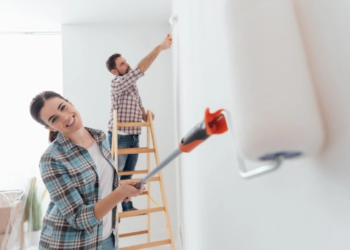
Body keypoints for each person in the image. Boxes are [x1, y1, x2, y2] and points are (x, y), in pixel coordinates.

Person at [30, 91, 145, 250]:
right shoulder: (51, 159)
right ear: (49, 127)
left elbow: (100, 183)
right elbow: (78, 218)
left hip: (107, 236)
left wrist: (121, 190)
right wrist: (118, 194)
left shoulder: (100, 137)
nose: (64, 117)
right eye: (54, 119)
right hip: (70, 244)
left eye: (63, 107)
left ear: (70, 102)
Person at [105, 35, 172, 212]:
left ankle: (127, 205)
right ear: (114, 71)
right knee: (115, 175)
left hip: (134, 135)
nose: (126, 65)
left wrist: (144, 115)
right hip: (120, 137)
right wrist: (160, 47)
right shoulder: (117, 83)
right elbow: (140, 69)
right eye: (122, 64)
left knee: (129, 175)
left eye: (125, 62)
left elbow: (138, 102)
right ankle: (110, 209)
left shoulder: (131, 85)